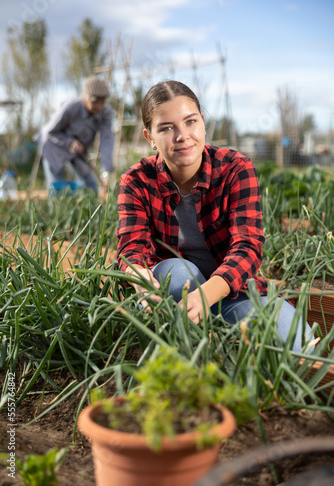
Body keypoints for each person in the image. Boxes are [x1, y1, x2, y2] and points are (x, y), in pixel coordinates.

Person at [116, 80, 313, 351]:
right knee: (176, 274)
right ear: (149, 137)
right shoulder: (136, 180)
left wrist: (205, 296)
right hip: (176, 292)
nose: (182, 135)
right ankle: (203, 346)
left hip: (232, 289)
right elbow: (131, 248)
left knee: (300, 345)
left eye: (190, 122)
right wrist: (139, 277)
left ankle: (217, 336)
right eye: (166, 128)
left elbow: (248, 247)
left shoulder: (235, 169)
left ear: (203, 123)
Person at [40, 76, 114, 194]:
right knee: (59, 191)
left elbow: (107, 140)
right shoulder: (71, 107)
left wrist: (107, 172)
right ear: (85, 98)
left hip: (78, 153)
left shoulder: (106, 113)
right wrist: (70, 142)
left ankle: (90, 211)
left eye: (102, 102)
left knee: (91, 187)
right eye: (94, 102)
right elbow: (49, 132)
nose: (99, 106)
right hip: (55, 149)